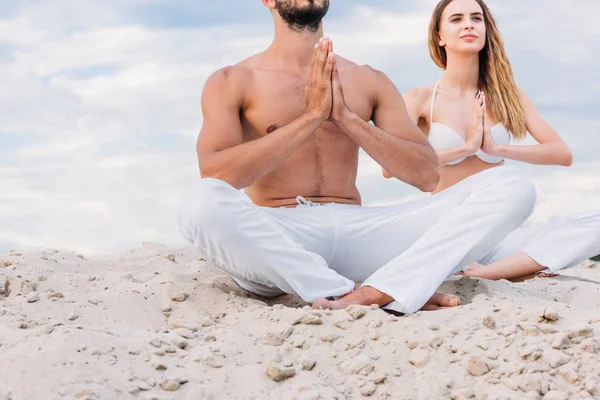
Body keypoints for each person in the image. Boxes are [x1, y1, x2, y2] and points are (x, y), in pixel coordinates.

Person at [178, 0, 536, 314]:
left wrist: (346, 120)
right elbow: (216, 174)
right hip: (282, 237)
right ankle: (347, 290)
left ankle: (386, 287)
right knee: (199, 202)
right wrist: (311, 118)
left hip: (363, 232)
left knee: (512, 185)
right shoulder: (233, 79)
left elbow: (426, 175)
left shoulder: (368, 79)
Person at [390, 0, 600, 282]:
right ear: (439, 36)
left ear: (486, 30)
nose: (468, 24)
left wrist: (498, 149)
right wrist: (464, 149)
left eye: (476, 18)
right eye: (456, 19)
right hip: (445, 230)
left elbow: (562, 153)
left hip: (499, 235)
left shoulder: (508, 96)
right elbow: (389, 167)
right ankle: (510, 270)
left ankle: (493, 272)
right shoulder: (420, 98)